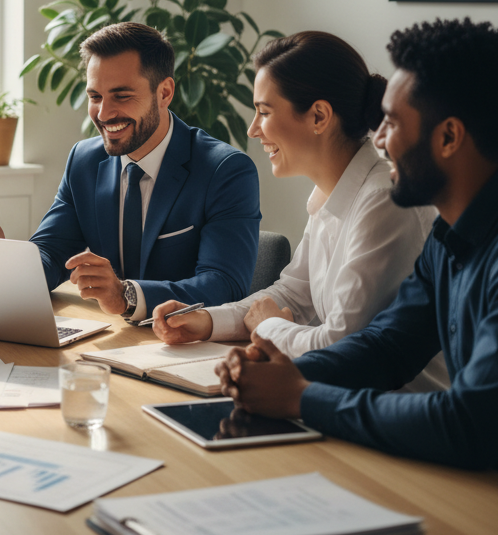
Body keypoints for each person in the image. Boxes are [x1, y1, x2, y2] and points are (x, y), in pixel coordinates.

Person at [216, 18, 498, 473]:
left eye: (392, 122)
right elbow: (386, 347)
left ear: (449, 137)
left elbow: (471, 422)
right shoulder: (447, 237)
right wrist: (276, 372)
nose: (379, 138)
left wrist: (302, 396)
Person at [151, 31, 446, 389]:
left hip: (392, 411)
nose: (253, 129)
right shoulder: (331, 191)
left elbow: (340, 346)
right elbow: (293, 294)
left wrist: (267, 326)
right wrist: (206, 321)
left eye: (264, 112)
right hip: (339, 397)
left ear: (319, 116)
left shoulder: (383, 201)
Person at [0, 22, 261, 320]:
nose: (104, 114)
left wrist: (126, 295)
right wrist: (5, 260)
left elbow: (225, 285)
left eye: (122, 96)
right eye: (95, 97)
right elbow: (52, 253)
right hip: (112, 335)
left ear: (164, 93)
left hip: (187, 340)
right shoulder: (84, 161)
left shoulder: (225, 170)